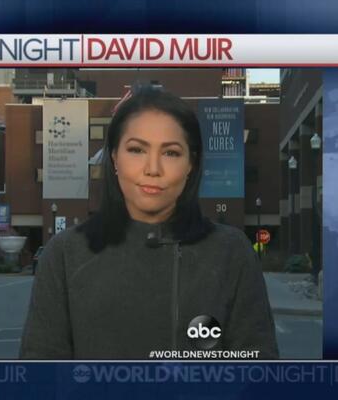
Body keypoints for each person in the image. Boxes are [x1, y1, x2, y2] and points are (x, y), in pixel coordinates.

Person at [20, 87, 278, 359]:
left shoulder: (231, 252)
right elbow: (41, 371)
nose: (153, 169)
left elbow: (258, 370)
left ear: (191, 164)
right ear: (114, 158)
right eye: (136, 150)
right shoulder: (65, 254)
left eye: (171, 153)